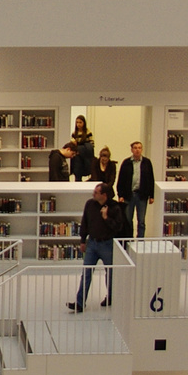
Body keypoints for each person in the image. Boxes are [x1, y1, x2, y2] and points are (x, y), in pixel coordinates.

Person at [72, 182, 127, 313]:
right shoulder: (90, 204)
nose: (93, 194)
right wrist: (82, 240)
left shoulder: (115, 208)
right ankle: (80, 303)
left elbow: (118, 227)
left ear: (104, 195)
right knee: (86, 273)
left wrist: (106, 217)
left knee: (111, 273)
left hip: (107, 244)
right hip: (92, 243)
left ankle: (111, 297)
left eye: (96, 192)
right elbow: (85, 221)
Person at [117, 141, 156, 238]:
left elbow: (151, 179)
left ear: (142, 149)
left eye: (139, 148)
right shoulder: (126, 163)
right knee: (128, 219)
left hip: (142, 195)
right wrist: (120, 195)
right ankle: (128, 239)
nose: (137, 150)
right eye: (135, 148)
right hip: (128, 195)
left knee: (141, 220)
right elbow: (121, 179)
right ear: (132, 150)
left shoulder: (147, 162)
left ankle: (140, 241)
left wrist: (152, 195)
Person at [69, 115, 96, 184]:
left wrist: (81, 147)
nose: (78, 124)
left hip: (86, 156)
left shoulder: (88, 132)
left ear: (84, 123)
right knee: (77, 174)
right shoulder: (74, 133)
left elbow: (91, 145)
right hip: (77, 158)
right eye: (77, 122)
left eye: (80, 122)